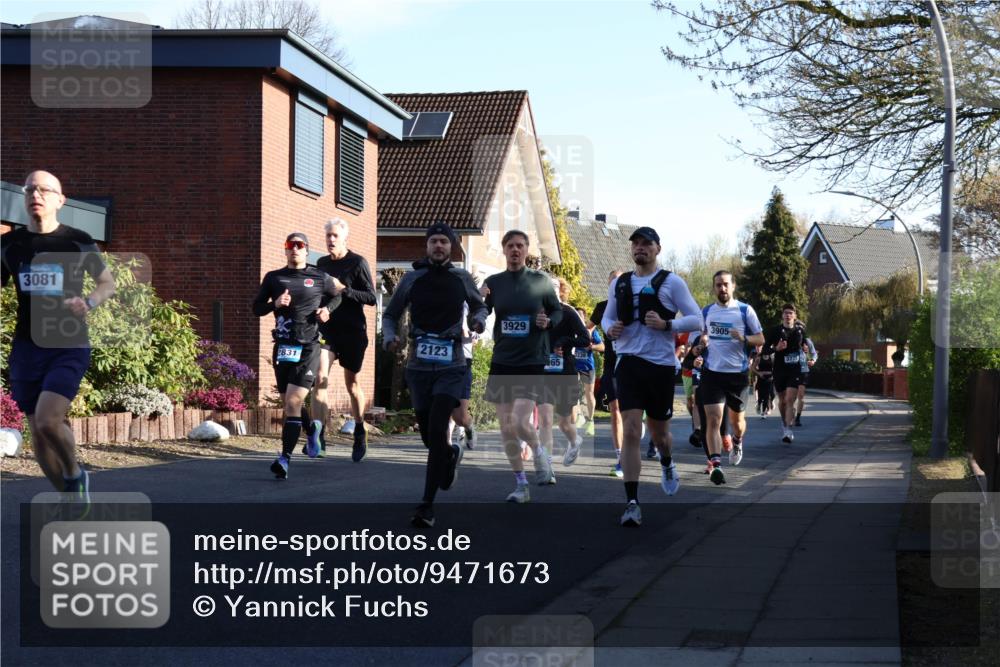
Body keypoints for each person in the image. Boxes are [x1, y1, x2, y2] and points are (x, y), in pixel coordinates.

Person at [1, 170, 116, 510]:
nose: (36, 195)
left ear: (60, 200)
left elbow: (107, 284)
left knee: (49, 419)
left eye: (44, 190)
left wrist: (89, 302)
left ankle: (74, 474)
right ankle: (70, 497)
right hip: (26, 347)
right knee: (37, 432)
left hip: (68, 343)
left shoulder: (78, 240)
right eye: (29, 189)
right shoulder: (10, 245)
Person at [381, 222, 487, 527]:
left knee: (440, 426)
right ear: (427, 246)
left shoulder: (461, 278)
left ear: (451, 247)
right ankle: (450, 455)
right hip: (418, 364)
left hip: (452, 363)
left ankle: (426, 505)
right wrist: (390, 336)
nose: (438, 246)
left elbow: (480, 308)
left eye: (443, 242)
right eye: (434, 242)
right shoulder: (413, 278)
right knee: (430, 437)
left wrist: (477, 323)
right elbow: (390, 314)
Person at [601, 226, 703, 527]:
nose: (640, 249)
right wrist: (610, 329)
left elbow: (698, 319)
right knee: (632, 429)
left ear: (658, 248)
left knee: (660, 436)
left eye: (646, 244)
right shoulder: (620, 284)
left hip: (659, 367)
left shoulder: (672, 282)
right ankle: (632, 502)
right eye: (636, 244)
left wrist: (667, 324)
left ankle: (668, 463)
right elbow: (608, 316)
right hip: (628, 362)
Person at [480, 230, 563, 503]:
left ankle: (539, 451)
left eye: (520, 246)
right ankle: (521, 484)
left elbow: (557, 310)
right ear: (503, 250)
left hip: (531, 359)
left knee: (519, 420)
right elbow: (480, 312)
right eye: (510, 246)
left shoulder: (540, 282)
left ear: (527, 250)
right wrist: (478, 300)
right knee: (506, 426)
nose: (515, 250)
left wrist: (549, 322)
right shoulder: (494, 282)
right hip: (503, 359)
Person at [253, 233, 342, 479]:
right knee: (290, 402)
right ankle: (311, 427)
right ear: (285, 251)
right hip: (283, 346)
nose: (294, 249)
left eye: (299, 246)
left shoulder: (319, 276)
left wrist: (327, 310)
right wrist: (275, 304)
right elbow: (256, 308)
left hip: (309, 346)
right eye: (290, 246)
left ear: (306, 250)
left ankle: (284, 459)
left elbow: (339, 293)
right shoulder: (274, 278)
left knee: (292, 402)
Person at [311, 218, 376, 462]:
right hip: (328, 330)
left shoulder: (357, 262)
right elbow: (318, 292)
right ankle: (319, 437)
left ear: (344, 238)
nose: (330, 240)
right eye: (328, 235)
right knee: (320, 379)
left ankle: (359, 427)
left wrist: (344, 289)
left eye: (335, 236)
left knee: (352, 384)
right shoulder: (321, 263)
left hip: (352, 331)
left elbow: (371, 297)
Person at [698, 270, 764, 484]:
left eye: (726, 284)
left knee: (737, 422)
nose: (722, 289)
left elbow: (760, 338)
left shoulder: (745, 310)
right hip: (712, 373)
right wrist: (701, 345)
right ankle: (716, 464)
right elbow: (699, 339)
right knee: (714, 419)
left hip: (737, 375)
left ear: (733, 286)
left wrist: (744, 337)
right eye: (718, 285)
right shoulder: (707, 311)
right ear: (714, 287)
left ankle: (737, 440)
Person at [538, 278, 590, 469]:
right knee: (544, 418)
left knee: (564, 423)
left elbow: (585, 338)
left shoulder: (568, 313)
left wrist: (565, 341)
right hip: (543, 371)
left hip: (564, 371)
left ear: (559, 292)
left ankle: (575, 440)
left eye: (552, 289)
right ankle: (547, 466)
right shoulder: (536, 312)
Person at [591, 271, 624, 478]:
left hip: (634, 363)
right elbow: (586, 328)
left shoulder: (633, 305)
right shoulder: (602, 307)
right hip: (612, 366)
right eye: (612, 281)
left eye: (619, 282)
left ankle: (637, 422)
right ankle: (620, 458)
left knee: (631, 412)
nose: (616, 285)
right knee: (616, 409)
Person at [763, 304, 807, 444]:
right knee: (782, 401)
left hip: (794, 369)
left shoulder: (800, 331)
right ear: (782, 315)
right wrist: (776, 348)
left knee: (789, 399)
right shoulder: (774, 331)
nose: (788, 315)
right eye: (786, 313)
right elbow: (764, 350)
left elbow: (805, 347)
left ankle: (787, 430)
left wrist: (805, 349)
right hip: (779, 369)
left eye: (791, 313)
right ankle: (784, 423)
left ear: (795, 316)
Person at [448, 301, 479, 449]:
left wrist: (465, 333)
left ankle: (469, 427)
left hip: (463, 361)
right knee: (442, 405)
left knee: (460, 417)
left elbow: (470, 335)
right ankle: (445, 444)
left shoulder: (467, 305)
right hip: (442, 359)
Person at [573, 305, 603, 438]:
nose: (579, 317)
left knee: (589, 393)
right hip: (573, 365)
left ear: (584, 317)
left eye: (581, 315)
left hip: (587, 366)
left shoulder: (590, 330)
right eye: (576, 314)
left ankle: (590, 421)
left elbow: (603, 346)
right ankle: (579, 415)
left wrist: (592, 346)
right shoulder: (569, 329)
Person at [795, 335, 818, 426]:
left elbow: (814, 353)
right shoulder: (789, 339)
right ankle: (790, 413)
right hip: (791, 370)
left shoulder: (807, 341)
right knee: (791, 396)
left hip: (803, 371)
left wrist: (813, 360)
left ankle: (798, 417)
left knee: (801, 395)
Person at [750, 345, 776, 418]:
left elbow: (775, 368)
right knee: (761, 396)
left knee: (768, 395)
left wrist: (773, 375)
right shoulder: (759, 358)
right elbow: (753, 368)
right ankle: (758, 404)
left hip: (770, 378)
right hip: (761, 378)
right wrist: (759, 373)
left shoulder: (772, 358)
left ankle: (764, 412)